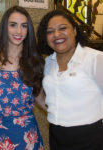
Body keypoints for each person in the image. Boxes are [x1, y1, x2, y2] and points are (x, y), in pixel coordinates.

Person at [37, 9, 103, 150]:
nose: (56, 35)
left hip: (91, 137)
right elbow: (46, 97)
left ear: (74, 30)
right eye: (50, 31)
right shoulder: (48, 63)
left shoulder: (95, 59)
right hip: (57, 135)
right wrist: (55, 111)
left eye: (63, 28)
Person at [0, 6, 45, 150]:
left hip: (27, 137)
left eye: (23, 26)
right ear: (4, 27)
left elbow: (42, 100)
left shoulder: (34, 62)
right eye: (13, 25)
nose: (18, 31)